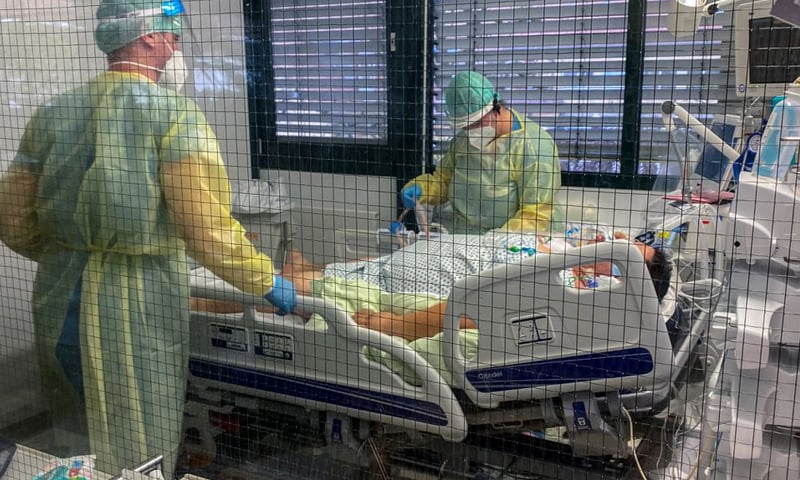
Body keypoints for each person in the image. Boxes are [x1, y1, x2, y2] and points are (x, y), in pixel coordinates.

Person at [0, 1, 295, 477]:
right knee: (137, 432)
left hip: (58, 295)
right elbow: (207, 230)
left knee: (75, 434)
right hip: (136, 303)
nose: (177, 44)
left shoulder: (53, 112)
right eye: (173, 34)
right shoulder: (173, 116)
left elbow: (11, 216)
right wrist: (264, 280)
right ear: (149, 37)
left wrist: (66, 252)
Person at [279, 230, 672, 342]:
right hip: (422, 259)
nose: (616, 238)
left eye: (624, 250)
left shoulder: (567, 287)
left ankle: (217, 299)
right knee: (300, 279)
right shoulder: (569, 252)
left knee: (274, 292)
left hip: (413, 284)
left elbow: (482, 312)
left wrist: (391, 326)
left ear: (617, 281)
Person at [401, 71, 563, 234]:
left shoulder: (534, 147)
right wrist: (423, 188)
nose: (471, 131)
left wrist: (497, 241)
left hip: (519, 244)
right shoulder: (463, 141)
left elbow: (535, 215)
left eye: (476, 122)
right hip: (466, 237)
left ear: (495, 108)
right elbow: (445, 181)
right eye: (465, 126)